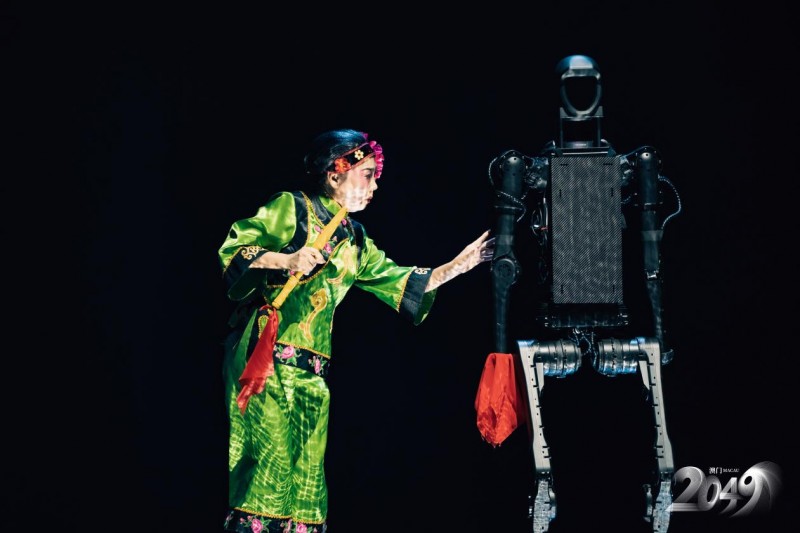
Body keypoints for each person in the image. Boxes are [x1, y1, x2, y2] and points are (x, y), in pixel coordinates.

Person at [218, 128, 494, 532]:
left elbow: (399, 281)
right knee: (270, 471)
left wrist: (458, 266)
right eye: (367, 175)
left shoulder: (354, 238)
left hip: (313, 370)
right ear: (335, 175)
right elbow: (236, 248)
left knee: (308, 479)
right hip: (266, 362)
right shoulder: (292, 208)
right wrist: (286, 259)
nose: (375, 186)